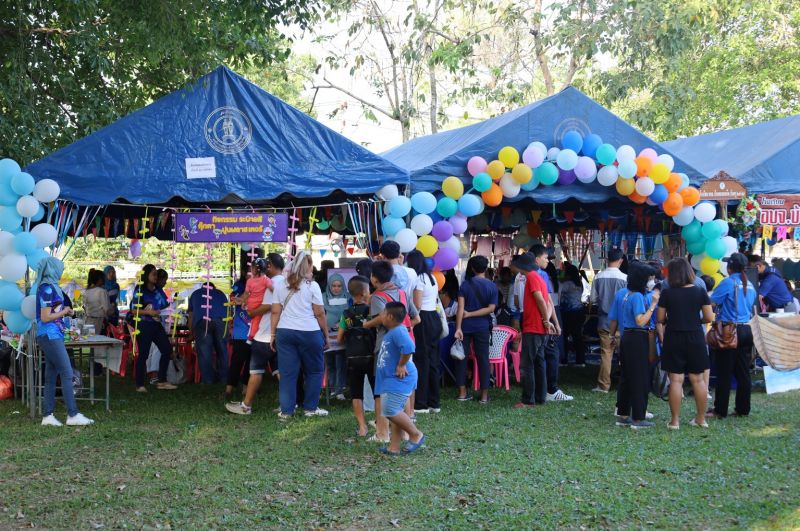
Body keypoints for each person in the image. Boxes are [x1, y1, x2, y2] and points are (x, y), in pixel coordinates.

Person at [364, 260, 420, 442]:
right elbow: (417, 318)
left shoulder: (377, 296)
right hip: (406, 348)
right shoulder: (403, 293)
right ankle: (404, 432)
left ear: (373, 278)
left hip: (385, 349)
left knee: (381, 391)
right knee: (403, 390)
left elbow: (381, 319)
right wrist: (404, 330)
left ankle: (382, 433)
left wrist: (366, 324)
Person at [269, 251, 328, 418]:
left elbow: (275, 312)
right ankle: (310, 408)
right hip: (310, 332)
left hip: (285, 331)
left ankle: (286, 411)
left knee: (288, 373)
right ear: (308, 267)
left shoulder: (280, 285)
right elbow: (320, 313)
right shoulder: (312, 286)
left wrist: (273, 335)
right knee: (315, 371)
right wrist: (325, 334)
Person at [37, 257, 95, 427]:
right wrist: (63, 313)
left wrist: (65, 311)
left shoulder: (49, 287)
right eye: (59, 269)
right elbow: (45, 317)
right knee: (67, 373)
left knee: (51, 375)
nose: (61, 272)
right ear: (52, 270)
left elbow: (50, 313)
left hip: (52, 334)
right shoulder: (47, 289)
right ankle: (72, 414)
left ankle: (47, 416)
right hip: (50, 335)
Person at [657, 258, 714, 429]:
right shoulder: (699, 291)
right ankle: (701, 419)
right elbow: (709, 317)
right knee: (698, 380)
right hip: (696, 336)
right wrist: (696, 320)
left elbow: (660, 319)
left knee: (676, 380)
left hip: (673, 336)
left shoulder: (667, 293)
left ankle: (674, 421)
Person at [226, 253, 285, 415]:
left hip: (265, 334)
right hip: (279, 333)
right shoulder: (286, 283)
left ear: (270, 266)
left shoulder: (270, 284)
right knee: (279, 369)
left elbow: (267, 306)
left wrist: (251, 313)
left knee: (256, 370)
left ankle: (246, 406)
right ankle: (287, 404)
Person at [708, 253, 757, 419]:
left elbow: (713, 301)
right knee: (743, 372)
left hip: (729, 331)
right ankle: (743, 409)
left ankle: (720, 410)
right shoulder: (749, 284)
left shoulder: (728, 282)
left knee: (724, 372)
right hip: (746, 330)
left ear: (730, 268)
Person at [374, 302, 425, 455]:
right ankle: (394, 447)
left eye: (382, 313)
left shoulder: (398, 331)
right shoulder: (392, 332)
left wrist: (401, 365)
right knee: (395, 412)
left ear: (389, 316)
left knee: (390, 410)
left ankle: (416, 434)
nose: (380, 316)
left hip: (399, 378)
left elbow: (409, 347)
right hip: (391, 379)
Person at [612, 262, 658, 429]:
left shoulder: (626, 295)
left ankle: (624, 414)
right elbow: (640, 321)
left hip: (627, 338)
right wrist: (653, 306)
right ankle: (638, 418)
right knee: (640, 378)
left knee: (626, 377)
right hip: (638, 338)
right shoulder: (638, 297)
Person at [530, 244, 571, 401]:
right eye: (546, 258)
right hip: (541, 318)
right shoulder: (541, 275)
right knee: (550, 353)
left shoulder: (521, 276)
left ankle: (536, 391)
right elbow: (546, 301)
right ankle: (550, 390)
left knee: (534, 357)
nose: (548, 261)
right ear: (537, 259)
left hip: (528, 319)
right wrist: (550, 321)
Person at [454, 255, 498, 404]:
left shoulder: (465, 285)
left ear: (472, 268)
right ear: (486, 268)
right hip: (482, 326)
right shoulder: (492, 286)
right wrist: (473, 314)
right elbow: (491, 309)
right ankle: (484, 396)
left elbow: (460, 308)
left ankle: (462, 393)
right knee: (483, 359)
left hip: (465, 326)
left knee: (461, 358)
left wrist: (458, 327)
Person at [337, 276, 375, 437]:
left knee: (356, 393)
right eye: (368, 291)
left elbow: (339, 338)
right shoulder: (372, 312)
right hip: (371, 357)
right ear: (362, 293)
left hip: (353, 358)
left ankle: (362, 427)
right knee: (377, 392)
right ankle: (380, 423)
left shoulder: (346, 314)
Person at [130, 264, 177, 392]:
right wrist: (149, 312)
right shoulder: (140, 289)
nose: (156, 277)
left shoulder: (157, 289)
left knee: (167, 350)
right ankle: (139, 384)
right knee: (143, 354)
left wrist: (172, 304)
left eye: (156, 274)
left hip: (156, 324)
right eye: (154, 274)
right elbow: (133, 310)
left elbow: (164, 305)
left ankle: (162, 381)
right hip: (144, 324)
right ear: (147, 275)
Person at [407, 250, 443, 414]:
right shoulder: (432, 277)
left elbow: (418, 304)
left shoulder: (419, 278)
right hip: (434, 319)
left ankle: (420, 403)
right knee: (433, 361)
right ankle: (434, 402)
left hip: (423, 320)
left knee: (421, 361)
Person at [513, 252, 551, 408]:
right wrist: (546, 320)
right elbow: (548, 302)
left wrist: (545, 320)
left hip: (533, 327)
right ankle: (540, 397)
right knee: (539, 363)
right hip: (539, 327)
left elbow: (540, 299)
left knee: (527, 365)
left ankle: (528, 400)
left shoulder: (532, 278)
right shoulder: (540, 278)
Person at [589, 248, 627, 393]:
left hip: (604, 320)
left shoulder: (598, 277)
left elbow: (592, 299)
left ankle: (604, 385)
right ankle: (625, 384)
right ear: (621, 260)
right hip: (622, 323)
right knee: (625, 355)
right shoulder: (625, 278)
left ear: (606, 260)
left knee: (606, 353)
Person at [188, 282, 230, 384]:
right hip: (220, 322)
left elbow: (191, 316)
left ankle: (208, 380)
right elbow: (227, 311)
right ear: (214, 287)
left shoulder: (195, 294)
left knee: (205, 352)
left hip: (202, 322)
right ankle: (224, 379)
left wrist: (191, 331)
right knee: (222, 351)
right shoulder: (220, 293)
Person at [225, 257, 254, 402]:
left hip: (254, 330)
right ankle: (229, 389)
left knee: (251, 361)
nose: (252, 273)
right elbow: (232, 300)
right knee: (237, 360)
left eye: (254, 270)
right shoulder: (238, 285)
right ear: (243, 271)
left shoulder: (260, 285)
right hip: (240, 331)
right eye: (249, 270)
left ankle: (245, 387)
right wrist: (245, 298)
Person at [323, 273, 350, 400]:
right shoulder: (323, 298)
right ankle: (332, 388)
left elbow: (350, 314)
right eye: (333, 286)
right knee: (330, 364)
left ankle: (340, 390)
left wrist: (342, 324)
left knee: (341, 363)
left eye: (339, 286)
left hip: (342, 335)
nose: (336, 288)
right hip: (328, 335)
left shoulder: (348, 297)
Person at [559, 263, 586, 367]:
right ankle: (580, 360)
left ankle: (564, 360)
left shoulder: (567, 284)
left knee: (564, 336)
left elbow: (559, 284)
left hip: (567, 313)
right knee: (577, 336)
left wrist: (561, 273)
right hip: (579, 311)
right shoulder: (579, 283)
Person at [244, 258, 273, 343]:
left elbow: (246, 293)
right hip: (260, 304)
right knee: (257, 320)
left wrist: (244, 302)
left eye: (251, 268)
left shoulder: (249, 281)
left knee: (253, 320)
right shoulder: (266, 280)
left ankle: (250, 327)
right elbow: (272, 289)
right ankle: (251, 337)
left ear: (254, 269)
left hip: (250, 304)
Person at [84, 269, 113, 335]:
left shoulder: (87, 291)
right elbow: (107, 309)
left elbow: (84, 307)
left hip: (88, 321)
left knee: (90, 340)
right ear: (100, 279)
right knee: (97, 340)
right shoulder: (102, 291)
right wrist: (113, 309)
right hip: (98, 322)